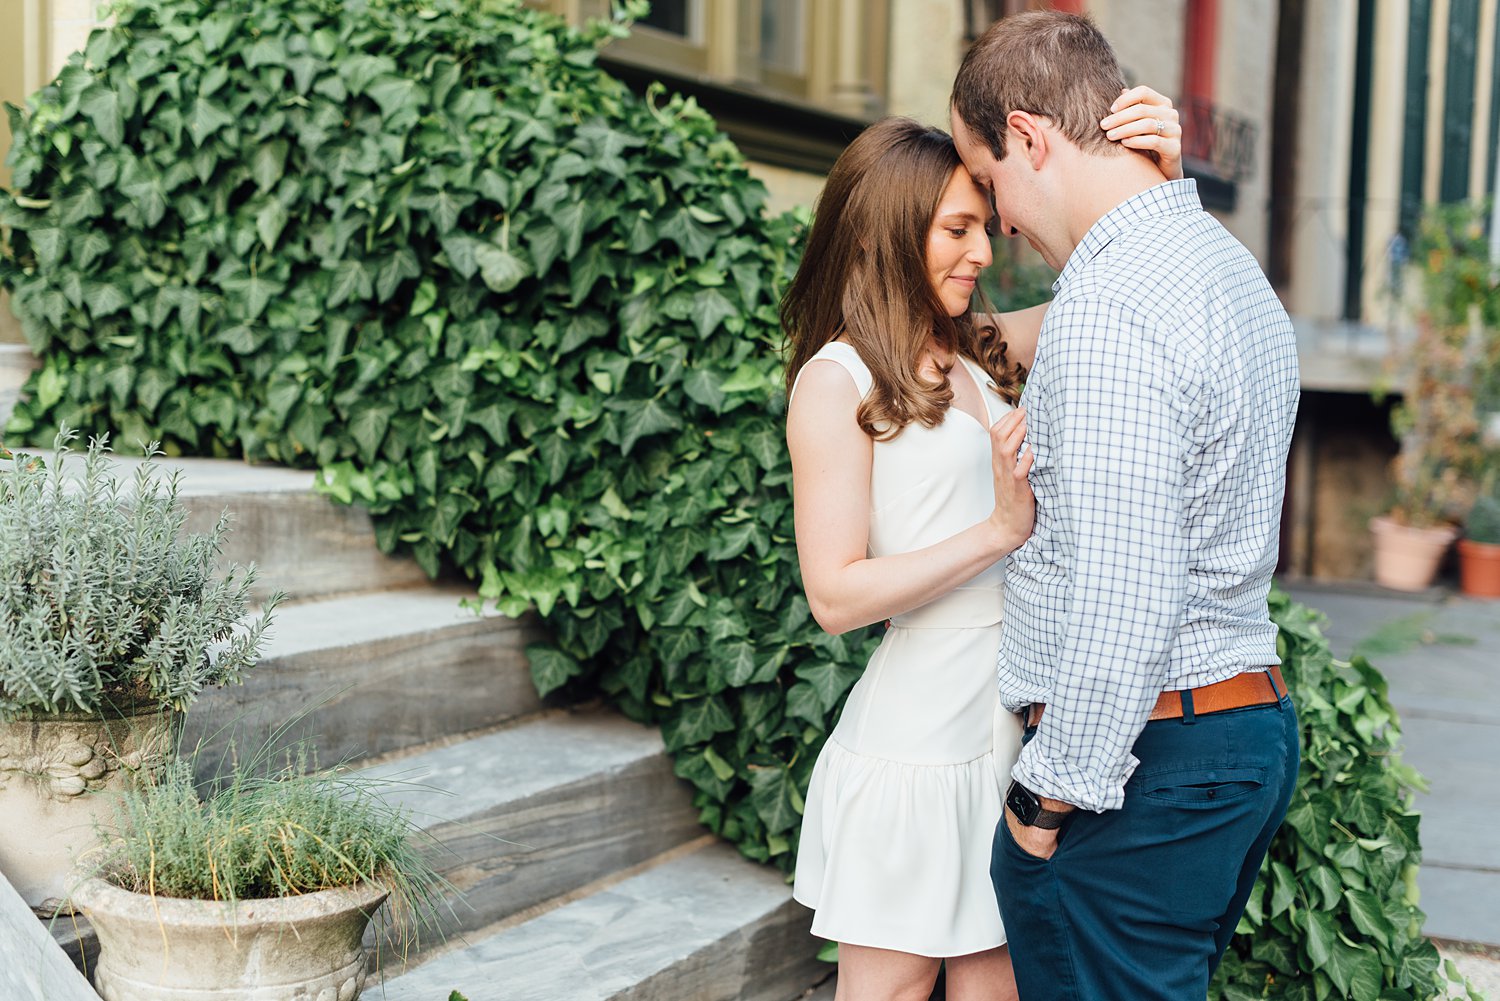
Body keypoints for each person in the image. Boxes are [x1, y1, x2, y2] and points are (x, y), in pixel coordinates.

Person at [782, 91, 1182, 1001]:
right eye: (956, 228)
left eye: (983, 223)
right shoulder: (835, 379)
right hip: (918, 748)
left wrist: (1163, 181)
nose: (984, 248)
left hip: (1008, 739)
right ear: (891, 233)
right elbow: (836, 595)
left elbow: (1104, 284)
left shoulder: (973, 351)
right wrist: (998, 531)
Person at [949, 12, 1301, 1001]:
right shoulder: (1229, 269)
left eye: (990, 182)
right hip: (1240, 733)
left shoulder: (1111, 307)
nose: (1003, 222)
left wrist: (1044, 798)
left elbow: (1125, 589)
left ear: (1028, 137)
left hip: (1143, 761)